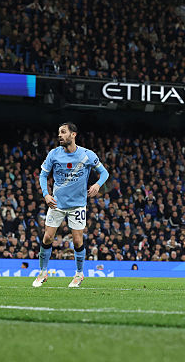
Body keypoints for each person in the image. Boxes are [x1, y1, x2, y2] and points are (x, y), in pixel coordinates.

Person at [33, 122, 109, 288]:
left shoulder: (87, 155)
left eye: (63, 132)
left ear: (73, 134)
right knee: (47, 237)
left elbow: (104, 173)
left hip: (77, 205)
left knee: (77, 240)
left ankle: (79, 274)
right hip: (57, 204)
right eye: (59, 132)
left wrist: (97, 185)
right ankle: (43, 272)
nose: (60, 135)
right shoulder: (54, 154)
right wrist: (46, 194)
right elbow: (42, 176)